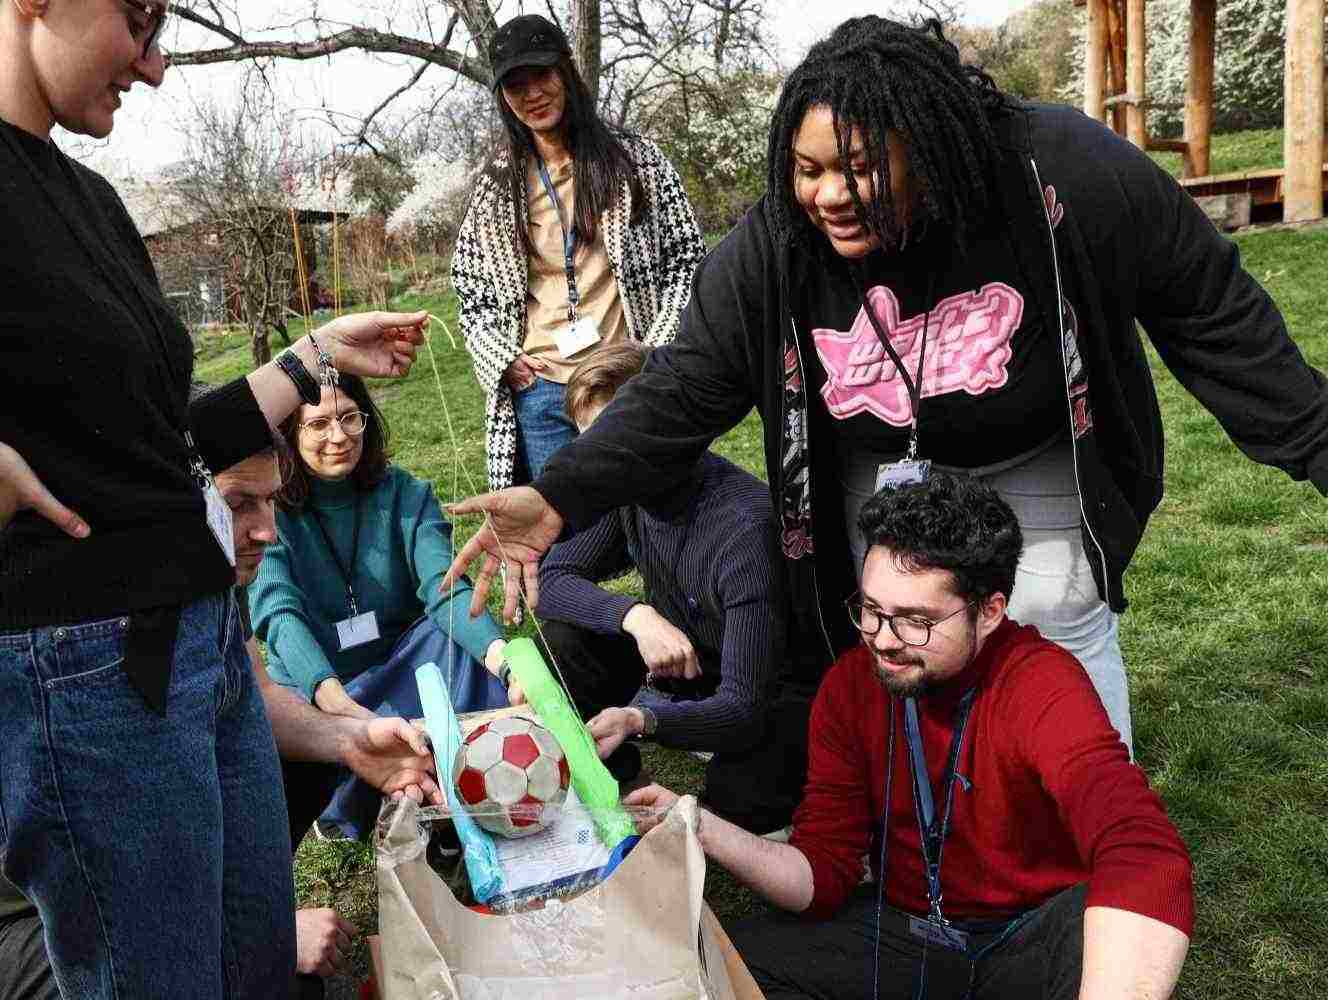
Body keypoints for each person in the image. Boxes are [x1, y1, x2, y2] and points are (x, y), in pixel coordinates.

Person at [0, 0, 426, 993]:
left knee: (256, 974)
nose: (154, 67)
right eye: (138, 21)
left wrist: (313, 356)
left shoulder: (87, 200)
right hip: (76, 683)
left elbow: (153, 446)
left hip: (199, 651)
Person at [444, 16, 1328, 756]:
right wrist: (561, 495)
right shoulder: (775, 245)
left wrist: (1315, 441)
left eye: (858, 167)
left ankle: (1094, 826)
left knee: (1051, 612)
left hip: (1030, 448)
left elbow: (1215, 314)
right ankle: (937, 828)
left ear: (932, 147)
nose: (827, 195)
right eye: (806, 168)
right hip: (879, 461)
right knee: (898, 637)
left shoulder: (1065, 174)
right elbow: (684, 386)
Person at [0, 442, 440, 1000]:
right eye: (238, 504)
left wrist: (351, 742)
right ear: (175, 501)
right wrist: (257, 936)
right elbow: (130, 843)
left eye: (271, 501)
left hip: (108, 868)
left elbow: (251, 697)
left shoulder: (201, 578)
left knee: (304, 768)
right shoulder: (104, 628)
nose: (266, 531)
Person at [629, 475, 1194, 999]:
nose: (882, 639)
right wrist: (699, 824)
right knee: (717, 961)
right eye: (871, 610)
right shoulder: (852, 684)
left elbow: (1143, 852)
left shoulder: (1042, 684)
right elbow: (821, 874)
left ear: (990, 610)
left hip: (1031, 935)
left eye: (915, 621)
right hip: (909, 930)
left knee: (1093, 921)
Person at [534, 342, 804, 832]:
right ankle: (610, 773)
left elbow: (745, 704)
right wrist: (635, 615)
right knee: (560, 639)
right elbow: (551, 581)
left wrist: (643, 719)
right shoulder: (626, 491)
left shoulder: (743, 526)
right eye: (587, 446)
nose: (594, 463)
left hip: (763, 689)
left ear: (663, 429)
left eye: (608, 444)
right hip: (689, 665)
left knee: (735, 807)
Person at [249, 374, 513, 840]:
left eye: (350, 417)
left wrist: (505, 662)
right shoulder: (273, 511)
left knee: (454, 644)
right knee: (289, 708)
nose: (339, 436)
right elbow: (278, 614)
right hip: (321, 686)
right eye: (318, 424)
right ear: (290, 435)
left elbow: (444, 588)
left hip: (399, 666)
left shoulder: (407, 495)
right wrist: (338, 702)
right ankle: (366, 790)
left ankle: (467, 768)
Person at [453, 13, 705, 489]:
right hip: (542, 389)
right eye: (515, 85)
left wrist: (654, 349)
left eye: (542, 75)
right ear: (504, 98)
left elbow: (686, 260)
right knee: (562, 539)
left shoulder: (637, 164)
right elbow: (470, 290)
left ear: (566, 71)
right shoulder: (495, 187)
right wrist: (502, 360)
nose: (533, 94)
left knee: (658, 527)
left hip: (627, 379)